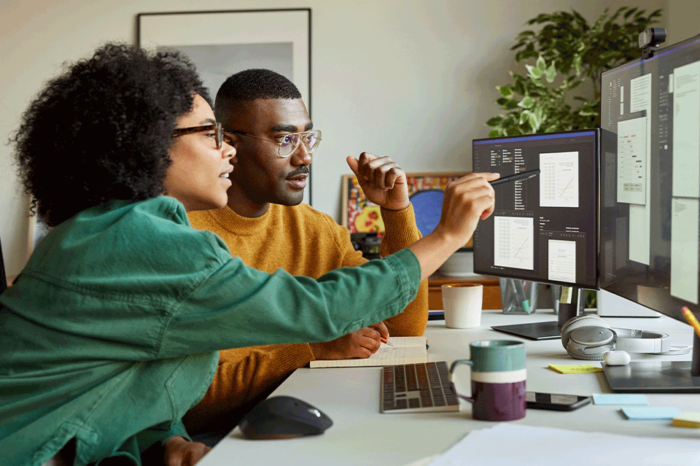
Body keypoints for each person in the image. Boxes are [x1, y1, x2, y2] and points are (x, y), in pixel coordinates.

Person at [0, 43, 497, 466]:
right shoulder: (134, 241)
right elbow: (317, 310)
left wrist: (165, 443)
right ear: (149, 147)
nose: (228, 152)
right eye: (212, 134)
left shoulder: (118, 231)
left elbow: (129, 376)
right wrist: (448, 234)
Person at [184, 69, 429, 434]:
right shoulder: (183, 236)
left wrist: (395, 213)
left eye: (308, 138)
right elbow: (188, 399)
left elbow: (403, 327)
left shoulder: (315, 228)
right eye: (285, 139)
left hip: (309, 413)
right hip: (224, 439)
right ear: (230, 144)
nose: (305, 158)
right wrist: (315, 349)